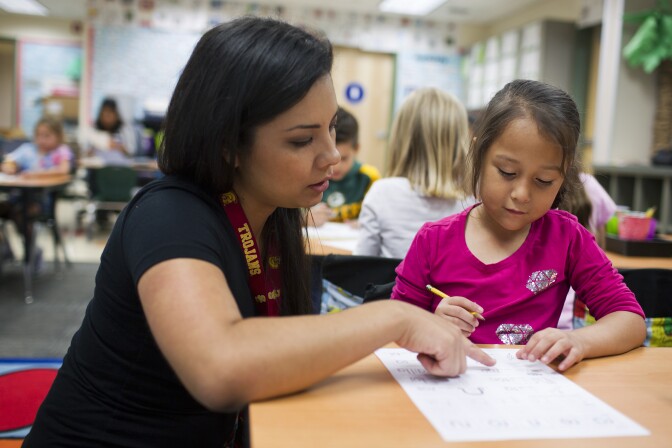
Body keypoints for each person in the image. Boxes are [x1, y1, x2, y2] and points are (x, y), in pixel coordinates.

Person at [23, 17, 495, 447]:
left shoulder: (275, 213)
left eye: (331, 129)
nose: (331, 155)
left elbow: (284, 343)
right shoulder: (169, 215)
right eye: (301, 140)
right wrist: (396, 318)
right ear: (228, 144)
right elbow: (220, 367)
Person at [390, 79, 646, 373]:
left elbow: (629, 319)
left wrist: (579, 341)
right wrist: (431, 324)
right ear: (478, 154)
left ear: (564, 178)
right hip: (447, 388)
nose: (522, 194)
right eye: (507, 172)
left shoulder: (567, 239)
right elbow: (394, 327)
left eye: (544, 181)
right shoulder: (433, 241)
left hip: (529, 399)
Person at [354, 88, 476, 258]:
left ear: (402, 137)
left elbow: (362, 263)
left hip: (394, 285)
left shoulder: (382, 193)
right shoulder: (475, 197)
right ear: (460, 137)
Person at [0, 116, 74, 267]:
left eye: (47, 135)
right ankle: (5, 248)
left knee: (22, 214)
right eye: (39, 135)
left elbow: (64, 169)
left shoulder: (61, 152)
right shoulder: (28, 149)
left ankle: (32, 251)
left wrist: (36, 174)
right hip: (17, 198)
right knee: (7, 209)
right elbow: (9, 161)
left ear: (58, 137)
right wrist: (10, 167)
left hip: (42, 202)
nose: (42, 140)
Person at [309, 106, 380, 226]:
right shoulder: (311, 176)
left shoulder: (369, 177)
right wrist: (304, 218)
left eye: (344, 158)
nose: (335, 167)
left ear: (356, 148)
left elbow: (379, 218)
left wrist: (366, 224)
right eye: (328, 158)